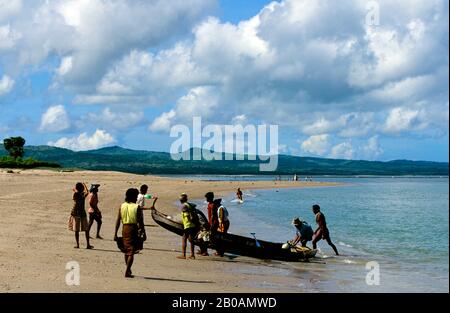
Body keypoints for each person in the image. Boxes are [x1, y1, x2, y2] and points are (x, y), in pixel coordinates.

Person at [114, 188, 146, 278]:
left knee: (126, 250)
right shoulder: (137, 207)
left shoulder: (122, 206)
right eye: (136, 196)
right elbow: (141, 222)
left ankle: (128, 269)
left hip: (124, 229)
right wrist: (144, 233)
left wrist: (115, 233)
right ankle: (127, 271)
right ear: (132, 196)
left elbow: (118, 220)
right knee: (131, 251)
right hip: (133, 229)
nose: (136, 198)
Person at [68, 182, 93, 249]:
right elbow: (87, 192)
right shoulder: (82, 194)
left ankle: (78, 244)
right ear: (82, 188)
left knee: (76, 230)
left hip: (75, 212)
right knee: (86, 229)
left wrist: (76, 190)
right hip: (82, 212)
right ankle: (88, 244)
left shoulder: (75, 194)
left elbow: (74, 197)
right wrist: (85, 185)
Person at [177, 193, 199, 260]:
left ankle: (183, 255)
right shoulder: (188, 204)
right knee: (191, 240)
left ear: (181, 200)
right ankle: (192, 255)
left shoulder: (184, 206)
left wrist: (186, 222)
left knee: (184, 238)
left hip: (188, 225)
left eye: (180, 199)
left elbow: (187, 215)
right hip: (192, 225)